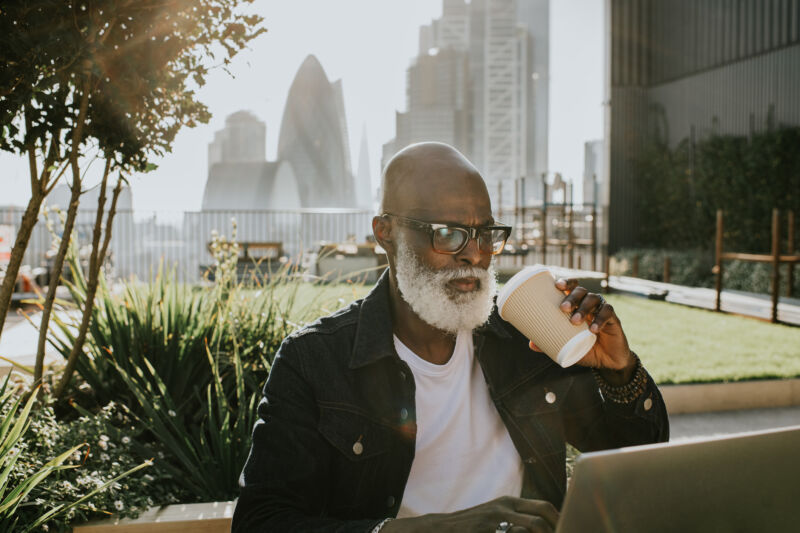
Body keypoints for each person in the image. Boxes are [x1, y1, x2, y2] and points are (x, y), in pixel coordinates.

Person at [232, 142, 669, 533]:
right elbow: (261, 522)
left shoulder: (524, 337)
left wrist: (620, 373)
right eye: (447, 232)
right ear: (385, 232)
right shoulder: (315, 359)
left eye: (485, 233)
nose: (475, 253)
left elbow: (636, 464)